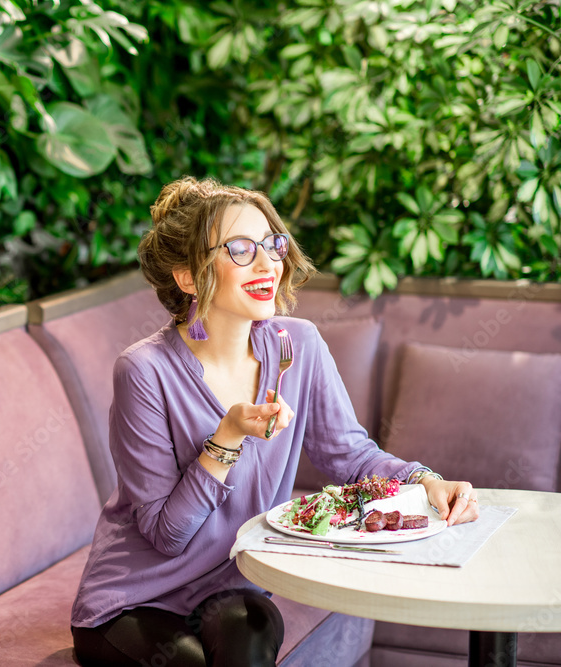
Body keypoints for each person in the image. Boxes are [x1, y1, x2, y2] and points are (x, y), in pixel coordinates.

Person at [69, 177, 480, 667]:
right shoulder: (144, 371)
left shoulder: (297, 346)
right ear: (187, 276)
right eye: (241, 249)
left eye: (272, 244)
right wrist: (227, 436)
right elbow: (165, 535)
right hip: (135, 598)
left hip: (233, 583)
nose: (268, 263)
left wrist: (425, 480)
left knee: (250, 639)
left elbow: (350, 456)